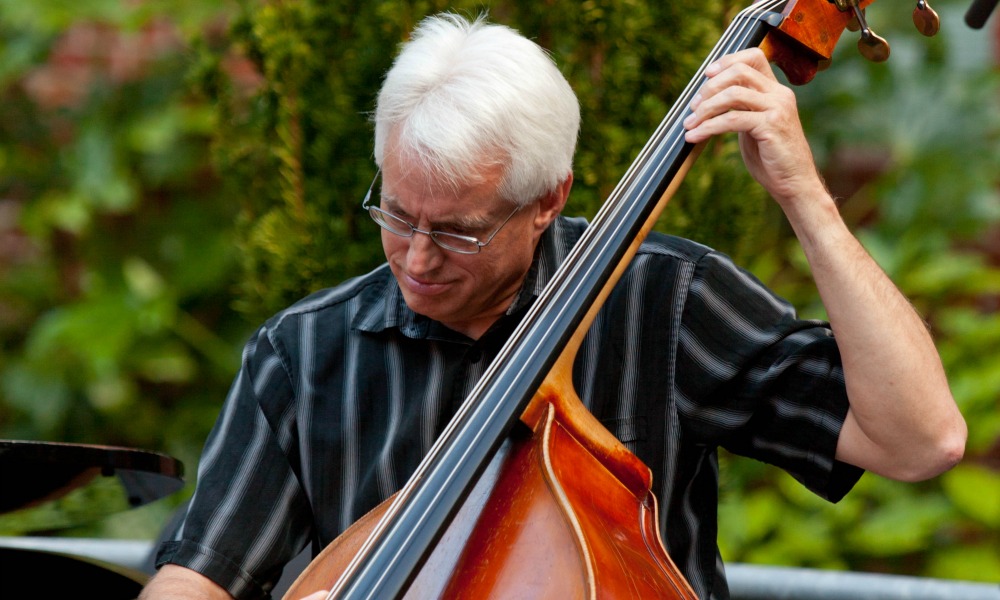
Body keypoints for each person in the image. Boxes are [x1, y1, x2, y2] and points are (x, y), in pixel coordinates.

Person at [140, 12, 966, 600]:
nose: (417, 258)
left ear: (548, 198)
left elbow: (920, 440)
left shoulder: (664, 302)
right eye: (396, 214)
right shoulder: (304, 351)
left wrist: (804, 197)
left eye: (458, 233)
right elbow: (199, 571)